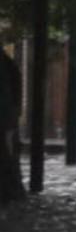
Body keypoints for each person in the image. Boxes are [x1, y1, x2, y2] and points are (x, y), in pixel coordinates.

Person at [0, 47, 25, 202]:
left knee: (7, 155)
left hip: (6, 118)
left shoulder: (7, 65)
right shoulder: (9, 64)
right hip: (8, 118)